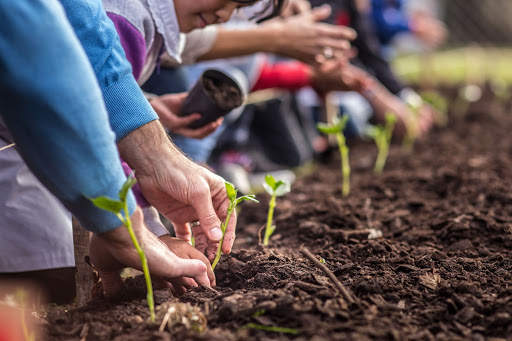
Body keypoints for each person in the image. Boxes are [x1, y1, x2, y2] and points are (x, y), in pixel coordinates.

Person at [0, 0, 239, 300]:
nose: (227, 15)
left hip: (46, 152)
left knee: (55, 278)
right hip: (27, 156)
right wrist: (137, 231)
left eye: (242, 7)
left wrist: (146, 113)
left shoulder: (142, 26)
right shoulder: (126, 19)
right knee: (48, 282)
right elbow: (61, 95)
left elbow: (91, 75)